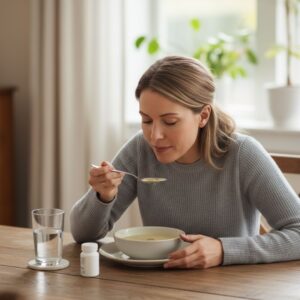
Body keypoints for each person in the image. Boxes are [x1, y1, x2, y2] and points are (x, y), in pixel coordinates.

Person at [70, 55, 300, 269]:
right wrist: (102, 196)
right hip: (158, 287)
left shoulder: (243, 154)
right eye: (146, 120)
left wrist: (223, 250)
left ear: (203, 116)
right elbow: (83, 236)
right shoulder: (141, 149)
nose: (154, 135)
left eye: (170, 121)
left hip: (231, 289)